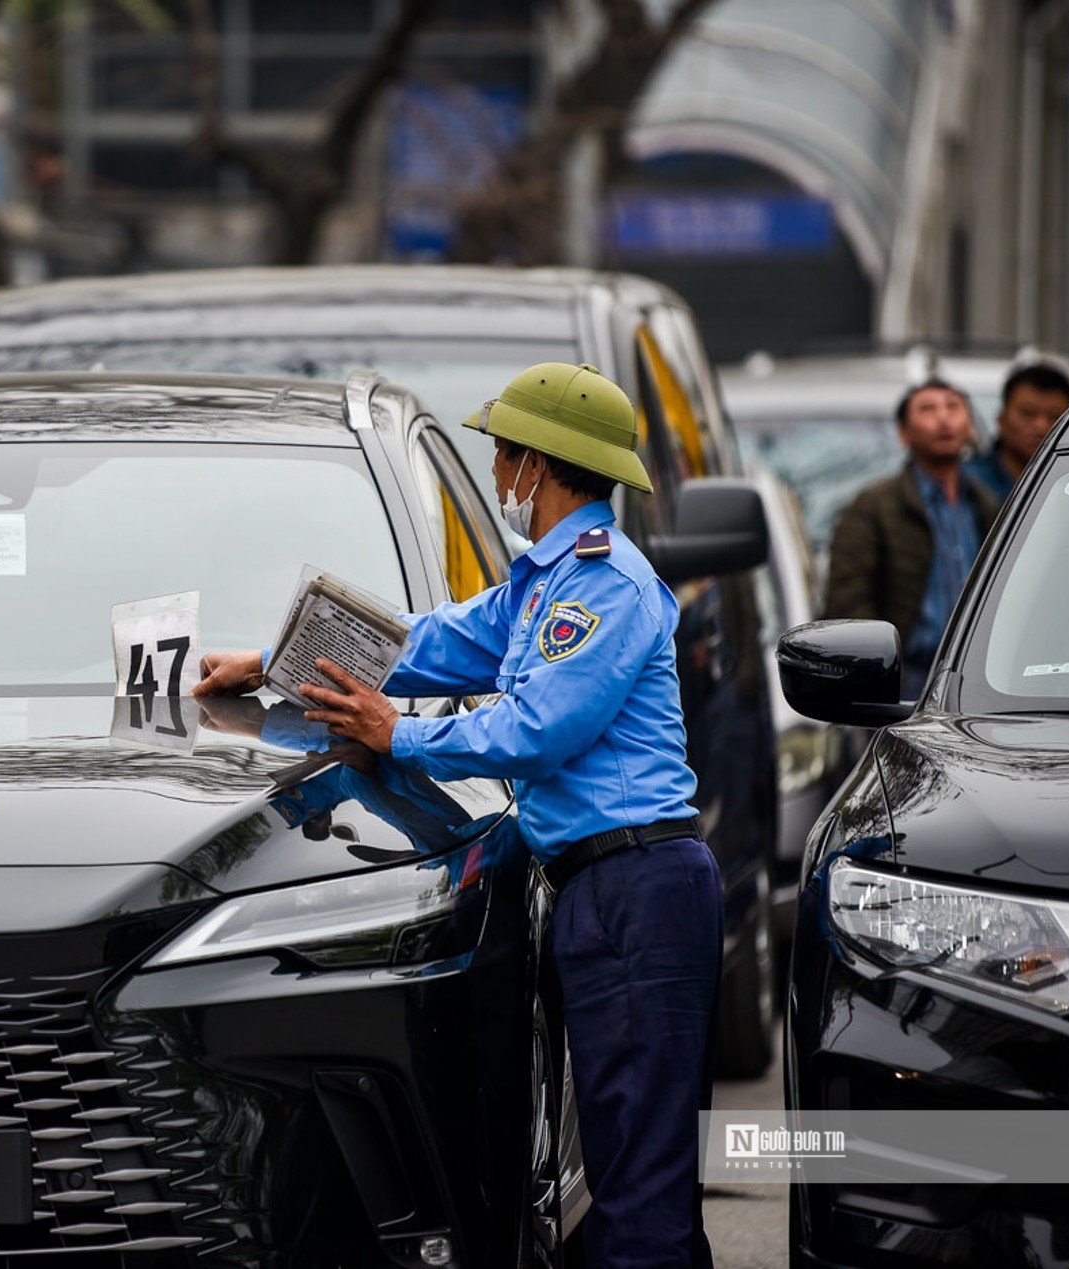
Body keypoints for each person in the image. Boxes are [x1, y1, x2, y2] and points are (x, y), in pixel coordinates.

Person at [195, 362, 720, 1269]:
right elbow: (430, 642)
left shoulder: (603, 584)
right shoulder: (542, 581)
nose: (499, 475)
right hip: (602, 887)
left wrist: (397, 737)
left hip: (641, 889)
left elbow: (536, 730)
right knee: (628, 1162)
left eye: (504, 455)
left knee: (640, 1182)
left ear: (538, 463)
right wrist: (276, 658)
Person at [825, 379, 998, 696]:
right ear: (903, 433)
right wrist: (877, 672)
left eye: (953, 407)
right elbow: (847, 599)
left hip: (979, 678)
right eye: (928, 409)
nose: (943, 419)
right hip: (908, 677)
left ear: (970, 427)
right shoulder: (874, 506)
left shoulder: (987, 505)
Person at [962, 362, 1069, 506]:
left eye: (1055, 416)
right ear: (1001, 420)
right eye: (1027, 414)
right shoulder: (968, 482)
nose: (1040, 427)